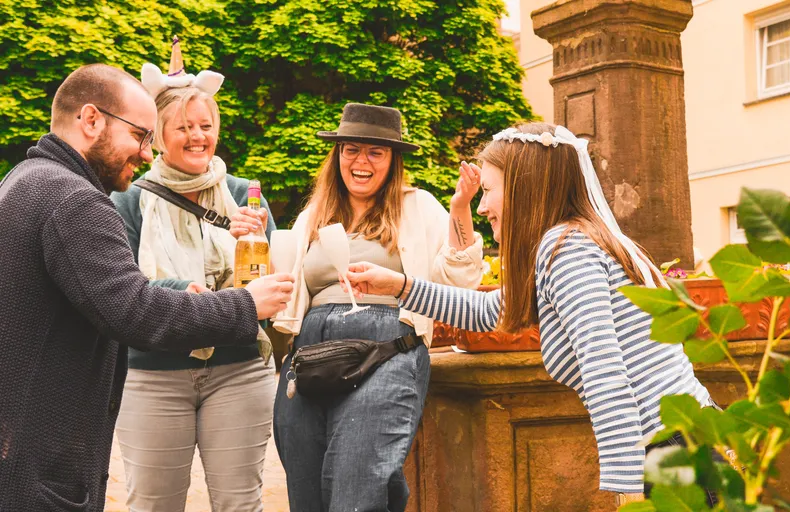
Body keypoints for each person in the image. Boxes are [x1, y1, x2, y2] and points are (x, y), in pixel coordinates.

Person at [344, 123, 720, 507]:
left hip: (674, 457)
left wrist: (628, 493)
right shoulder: (567, 243)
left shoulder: (568, 252)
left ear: (525, 189)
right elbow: (487, 310)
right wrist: (398, 286)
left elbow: (605, 372)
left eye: (488, 191)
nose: (482, 206)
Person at [0, 63, 294, 512]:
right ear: (92, 119)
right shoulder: (77, 201)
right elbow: (135, 311)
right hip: (38, 458)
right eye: (141, 135)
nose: (144, 152)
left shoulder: (24, 180)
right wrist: (244, 304)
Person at [232, 102, 483, 511]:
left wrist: (460, 208)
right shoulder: (315, 213)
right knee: (306, 487)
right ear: (337, 155)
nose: (360, 161)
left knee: (356, 483)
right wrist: (256, 240)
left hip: (387, 348)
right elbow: (284, 289)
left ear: (393, 160)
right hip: (311, 354)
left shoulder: (418, 206)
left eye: (375, 152)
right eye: (350, 149)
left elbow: (461, 280)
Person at [109, 41, 278, 512]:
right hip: (152, 375)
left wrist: (257, 245)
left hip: (239, 370)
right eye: (183, 127)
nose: (197, 136)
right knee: (152, 505)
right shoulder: (127, 199)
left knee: (240, 504)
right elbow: (123, 292)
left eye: (206, 125)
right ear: (159, 135)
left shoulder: (247, 196)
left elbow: (275, 284)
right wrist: (185, 294)